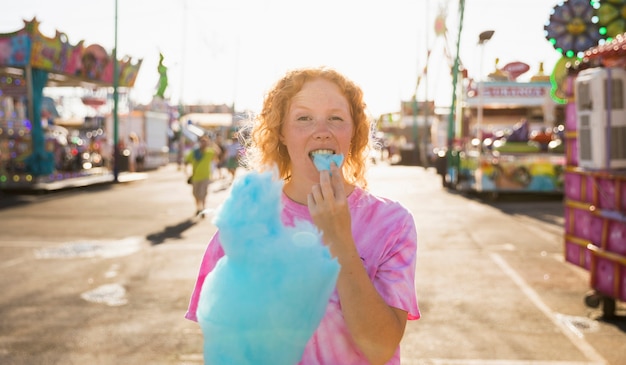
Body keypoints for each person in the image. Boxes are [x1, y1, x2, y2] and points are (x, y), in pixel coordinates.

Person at [185, 67, 419, 364]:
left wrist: (340, 241)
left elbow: (380, 348)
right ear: (281, 132)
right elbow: (222, 338)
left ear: (354, 131)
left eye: (336, 118)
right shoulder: (250, 218)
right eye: (303, 118)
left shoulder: (392, 223)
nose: (321, 130)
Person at [184, 135, 219, 217]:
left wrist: (212, 143)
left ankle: (203, 209)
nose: (204, 144)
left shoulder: (209, 152)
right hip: (195, 177)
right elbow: (187, 161)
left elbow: (218, 153)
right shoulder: (194, 152)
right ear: (199, 143)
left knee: (203, 194)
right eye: (202, 142)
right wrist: (186, 172)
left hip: (205, 177)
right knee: (195, 194)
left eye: (205, 143)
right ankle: (198, 208)